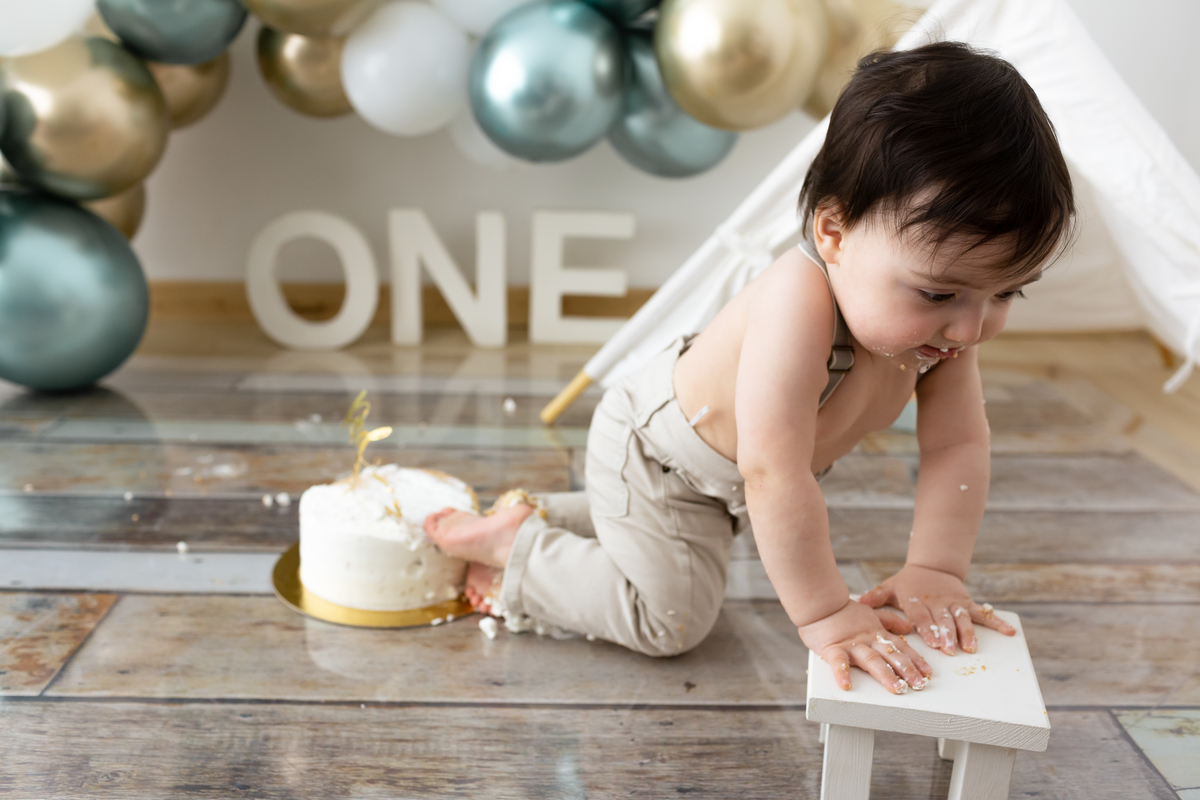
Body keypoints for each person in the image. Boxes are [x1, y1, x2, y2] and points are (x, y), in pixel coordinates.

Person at [424, 41, 1075, 694]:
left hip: (720, 487)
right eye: (938, 293)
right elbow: (774, 472)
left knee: (680, 542)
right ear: (834, 233)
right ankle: (519, 555)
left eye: (1005, 293)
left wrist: (936, 568)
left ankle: (549, 516)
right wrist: (826, 615)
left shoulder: (946, 336)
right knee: (672, 618)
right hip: (657, 454)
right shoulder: (798, 302)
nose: (970, 327)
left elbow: (958, 446)